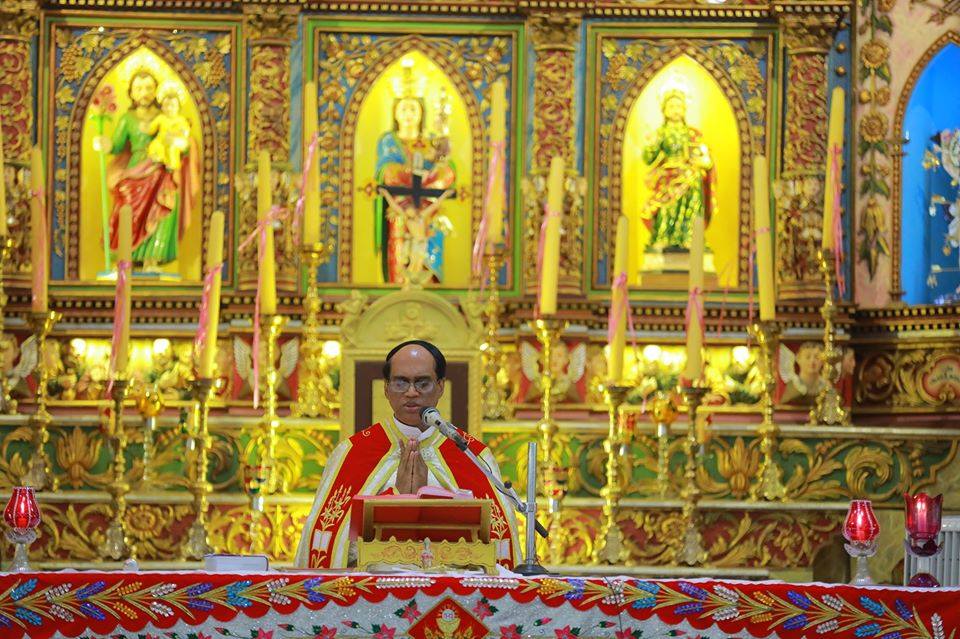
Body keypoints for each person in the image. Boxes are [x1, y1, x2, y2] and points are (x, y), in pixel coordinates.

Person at [295, 340, 519, 569]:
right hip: (376, 585)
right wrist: (397, 498)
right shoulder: (353, 453)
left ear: (440, 386)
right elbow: (331, 541)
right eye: (401, 382)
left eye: (423, 383)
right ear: (386, 388)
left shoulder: (471, 454)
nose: (411, 392)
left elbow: (495, 542)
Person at [104, 69, 198, 270]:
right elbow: (117, 146)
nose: (144, 93)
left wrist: (180, 143)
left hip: (162, 169)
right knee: (128, 208)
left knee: (160, 208)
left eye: (148, 88)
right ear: (131, 92)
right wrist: (106, 144)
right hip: (136, 170)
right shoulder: (127, 118)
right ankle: (127, 259)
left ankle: (152, 258)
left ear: (156, 91)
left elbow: (184, 141)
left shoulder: (166, 115)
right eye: (138, 88)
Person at [374, 81, 456, 284]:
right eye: (403, 109)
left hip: (427, 207)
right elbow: (386, 172)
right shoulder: (388, 140)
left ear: (421, 113)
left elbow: (446, 169)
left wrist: (436, 160)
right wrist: (408, 172)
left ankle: (429, 287)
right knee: (403, 255)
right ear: (395, 113)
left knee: (427, 252)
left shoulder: (431, 140)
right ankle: (400, 288)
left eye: (413, 109)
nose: (408, 114)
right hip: (402, 208)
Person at [641, 89, 716, 251]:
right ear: (664, 110)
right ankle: (663, 236)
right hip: (668, 174)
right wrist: (651, 143)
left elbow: (704, 156)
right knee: (666, 204)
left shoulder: (692, 133)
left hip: (689, 174)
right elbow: (648, 159)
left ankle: (690, 235)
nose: (675, 110)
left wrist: (703, 162)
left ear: (684, 109)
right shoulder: (661, 133)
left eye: (679, 106)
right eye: (671, 106)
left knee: (695, 183)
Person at [147, 86, 191, 171]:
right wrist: (149, 129)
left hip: (174, 140)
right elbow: (152, 128)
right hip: (161, 140)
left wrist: (183, 133)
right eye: (166, 105)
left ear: (178, 107)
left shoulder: (181, 119)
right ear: (162, 107)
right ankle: (158, 158)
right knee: (155, 145)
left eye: (173, 106)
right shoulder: (161, 118)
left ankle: (172, 165)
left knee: (172, 149)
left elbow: (185, 130)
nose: (169, 108)